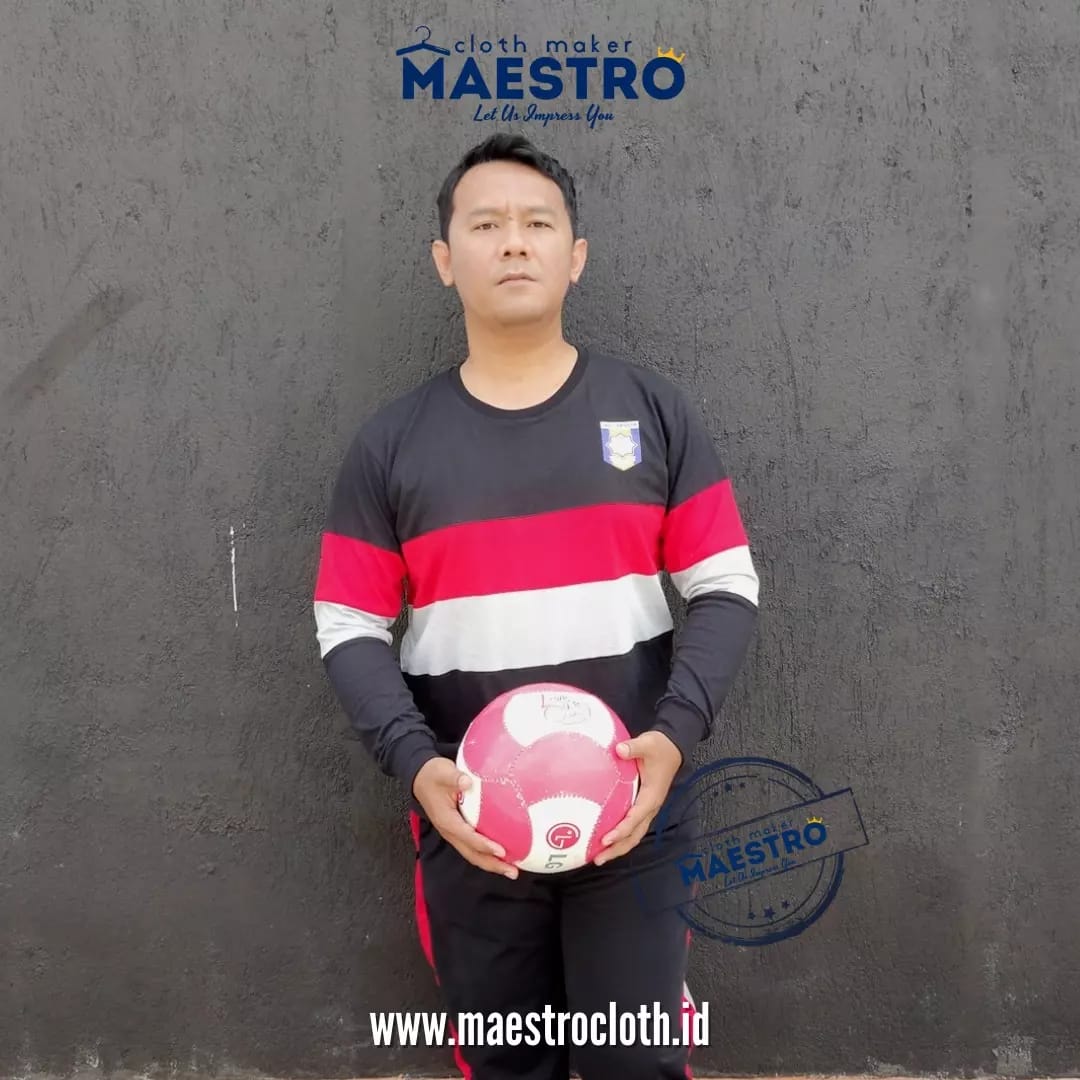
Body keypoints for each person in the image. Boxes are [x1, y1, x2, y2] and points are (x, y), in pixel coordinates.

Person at [312, 133, 760, 1080]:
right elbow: (348, 624)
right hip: (470, 820)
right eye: (486, 225)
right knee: (510, 1064)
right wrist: (418, 765)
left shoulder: (651, 411)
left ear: (575, 255)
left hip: (635, 811)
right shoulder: (391, 446)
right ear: (445, 260)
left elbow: (724, 584)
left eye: (537, 223)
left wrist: (674, 736)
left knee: (632, 1065)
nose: (513, 241)